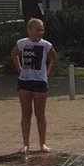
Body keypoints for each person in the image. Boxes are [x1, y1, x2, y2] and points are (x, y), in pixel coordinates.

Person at [11, 17, 57, 154]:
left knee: (40, 114)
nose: (40, 32)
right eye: (37, 29)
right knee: (26, 113)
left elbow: (54, 58)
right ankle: (26, 144)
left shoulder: (46, 45)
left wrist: (48, 72)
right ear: (29, 30)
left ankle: (42, 143)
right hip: (25, 81)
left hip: (40, 82)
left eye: (42, 29)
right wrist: (19, 69)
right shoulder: (22, 43)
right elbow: (14, 54)